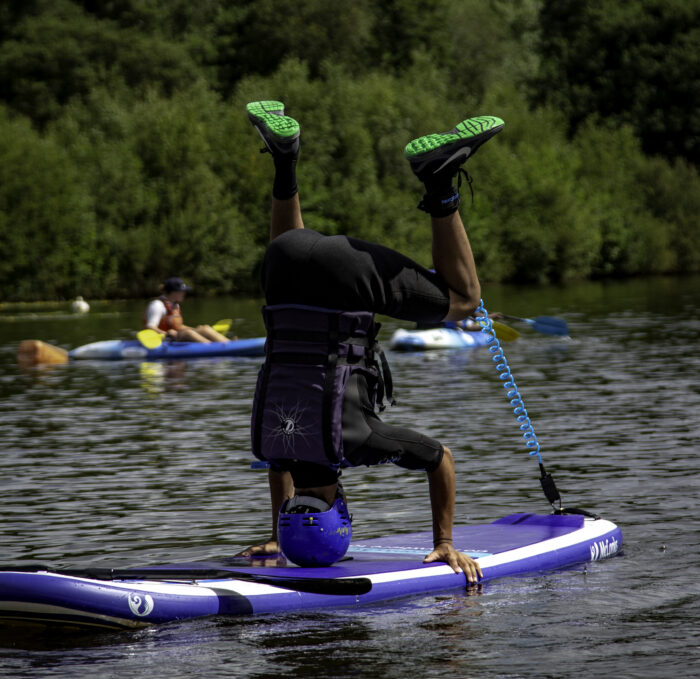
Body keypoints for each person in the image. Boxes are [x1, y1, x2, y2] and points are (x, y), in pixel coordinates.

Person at [239, 100, 504, 584]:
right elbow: (281, 471)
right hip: (281, 254)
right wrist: (280, 536)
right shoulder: (268, 446)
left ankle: (439, 181)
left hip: (346, 273)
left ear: (341, 509)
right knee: (292, 268)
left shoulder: (358, 444)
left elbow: (439, 459)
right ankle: (285, 160)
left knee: (463, 300)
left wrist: (443, 543)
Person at [143, 277, 229, 343]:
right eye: (182, 291)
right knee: (188, 333)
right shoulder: (157, 305)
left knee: (204, 328)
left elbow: (178, 327)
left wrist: (196, 329)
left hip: (176, 337)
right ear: (173, 292)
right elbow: (150, 327)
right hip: (164, 340)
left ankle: (228, 343)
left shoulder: (175, 305)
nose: (184, 294)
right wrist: (167, 334)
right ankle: (216, 348)